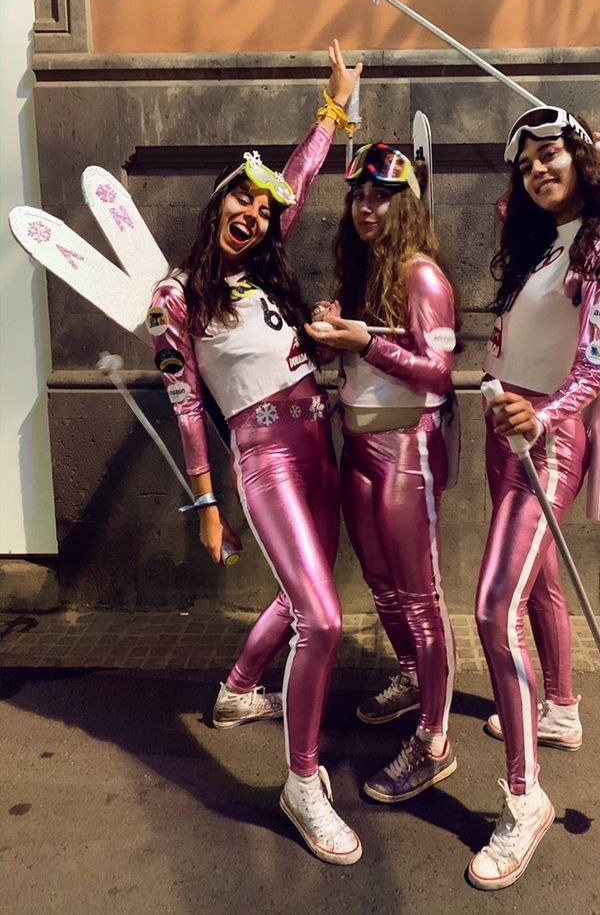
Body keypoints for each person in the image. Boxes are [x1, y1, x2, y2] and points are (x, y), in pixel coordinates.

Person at [147, 42, 364, 866]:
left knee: (302, 593)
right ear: (215, 207)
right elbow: (186, 410)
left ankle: (239, 690)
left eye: (263, 208)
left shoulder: (266, 277)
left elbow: (298, 181)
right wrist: (206, 506)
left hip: (323, 441)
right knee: (325, 615)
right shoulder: (175, 297)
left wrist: (332, 110)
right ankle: (302, 781)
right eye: (241, 199)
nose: (255, 212)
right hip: (264, 453)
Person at [468, 107, 600, 890]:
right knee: (536, 580)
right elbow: (513, 204)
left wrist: (540, 415)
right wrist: (584, 157)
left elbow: (598, 362)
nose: (538, 171)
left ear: (579, 157)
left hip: (545, 432)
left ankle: (524, 798)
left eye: (552, 155)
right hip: (504, 422)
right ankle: (563, 707)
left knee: (490, 607)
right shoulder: (545, 237)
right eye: (528, 162)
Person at [306, 143, 459, 803]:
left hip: (406, 448)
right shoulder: (366, 264)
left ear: (405, 204)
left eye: (380, 196)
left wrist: (362, 339)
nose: (366, 207)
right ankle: (411, 680)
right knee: (382, 583)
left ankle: (435, 740)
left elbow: (439, 371)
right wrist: (336, 330)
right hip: (359, 446)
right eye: (359, 195)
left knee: (419, 593)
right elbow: (365, 354)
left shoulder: (421, 276)